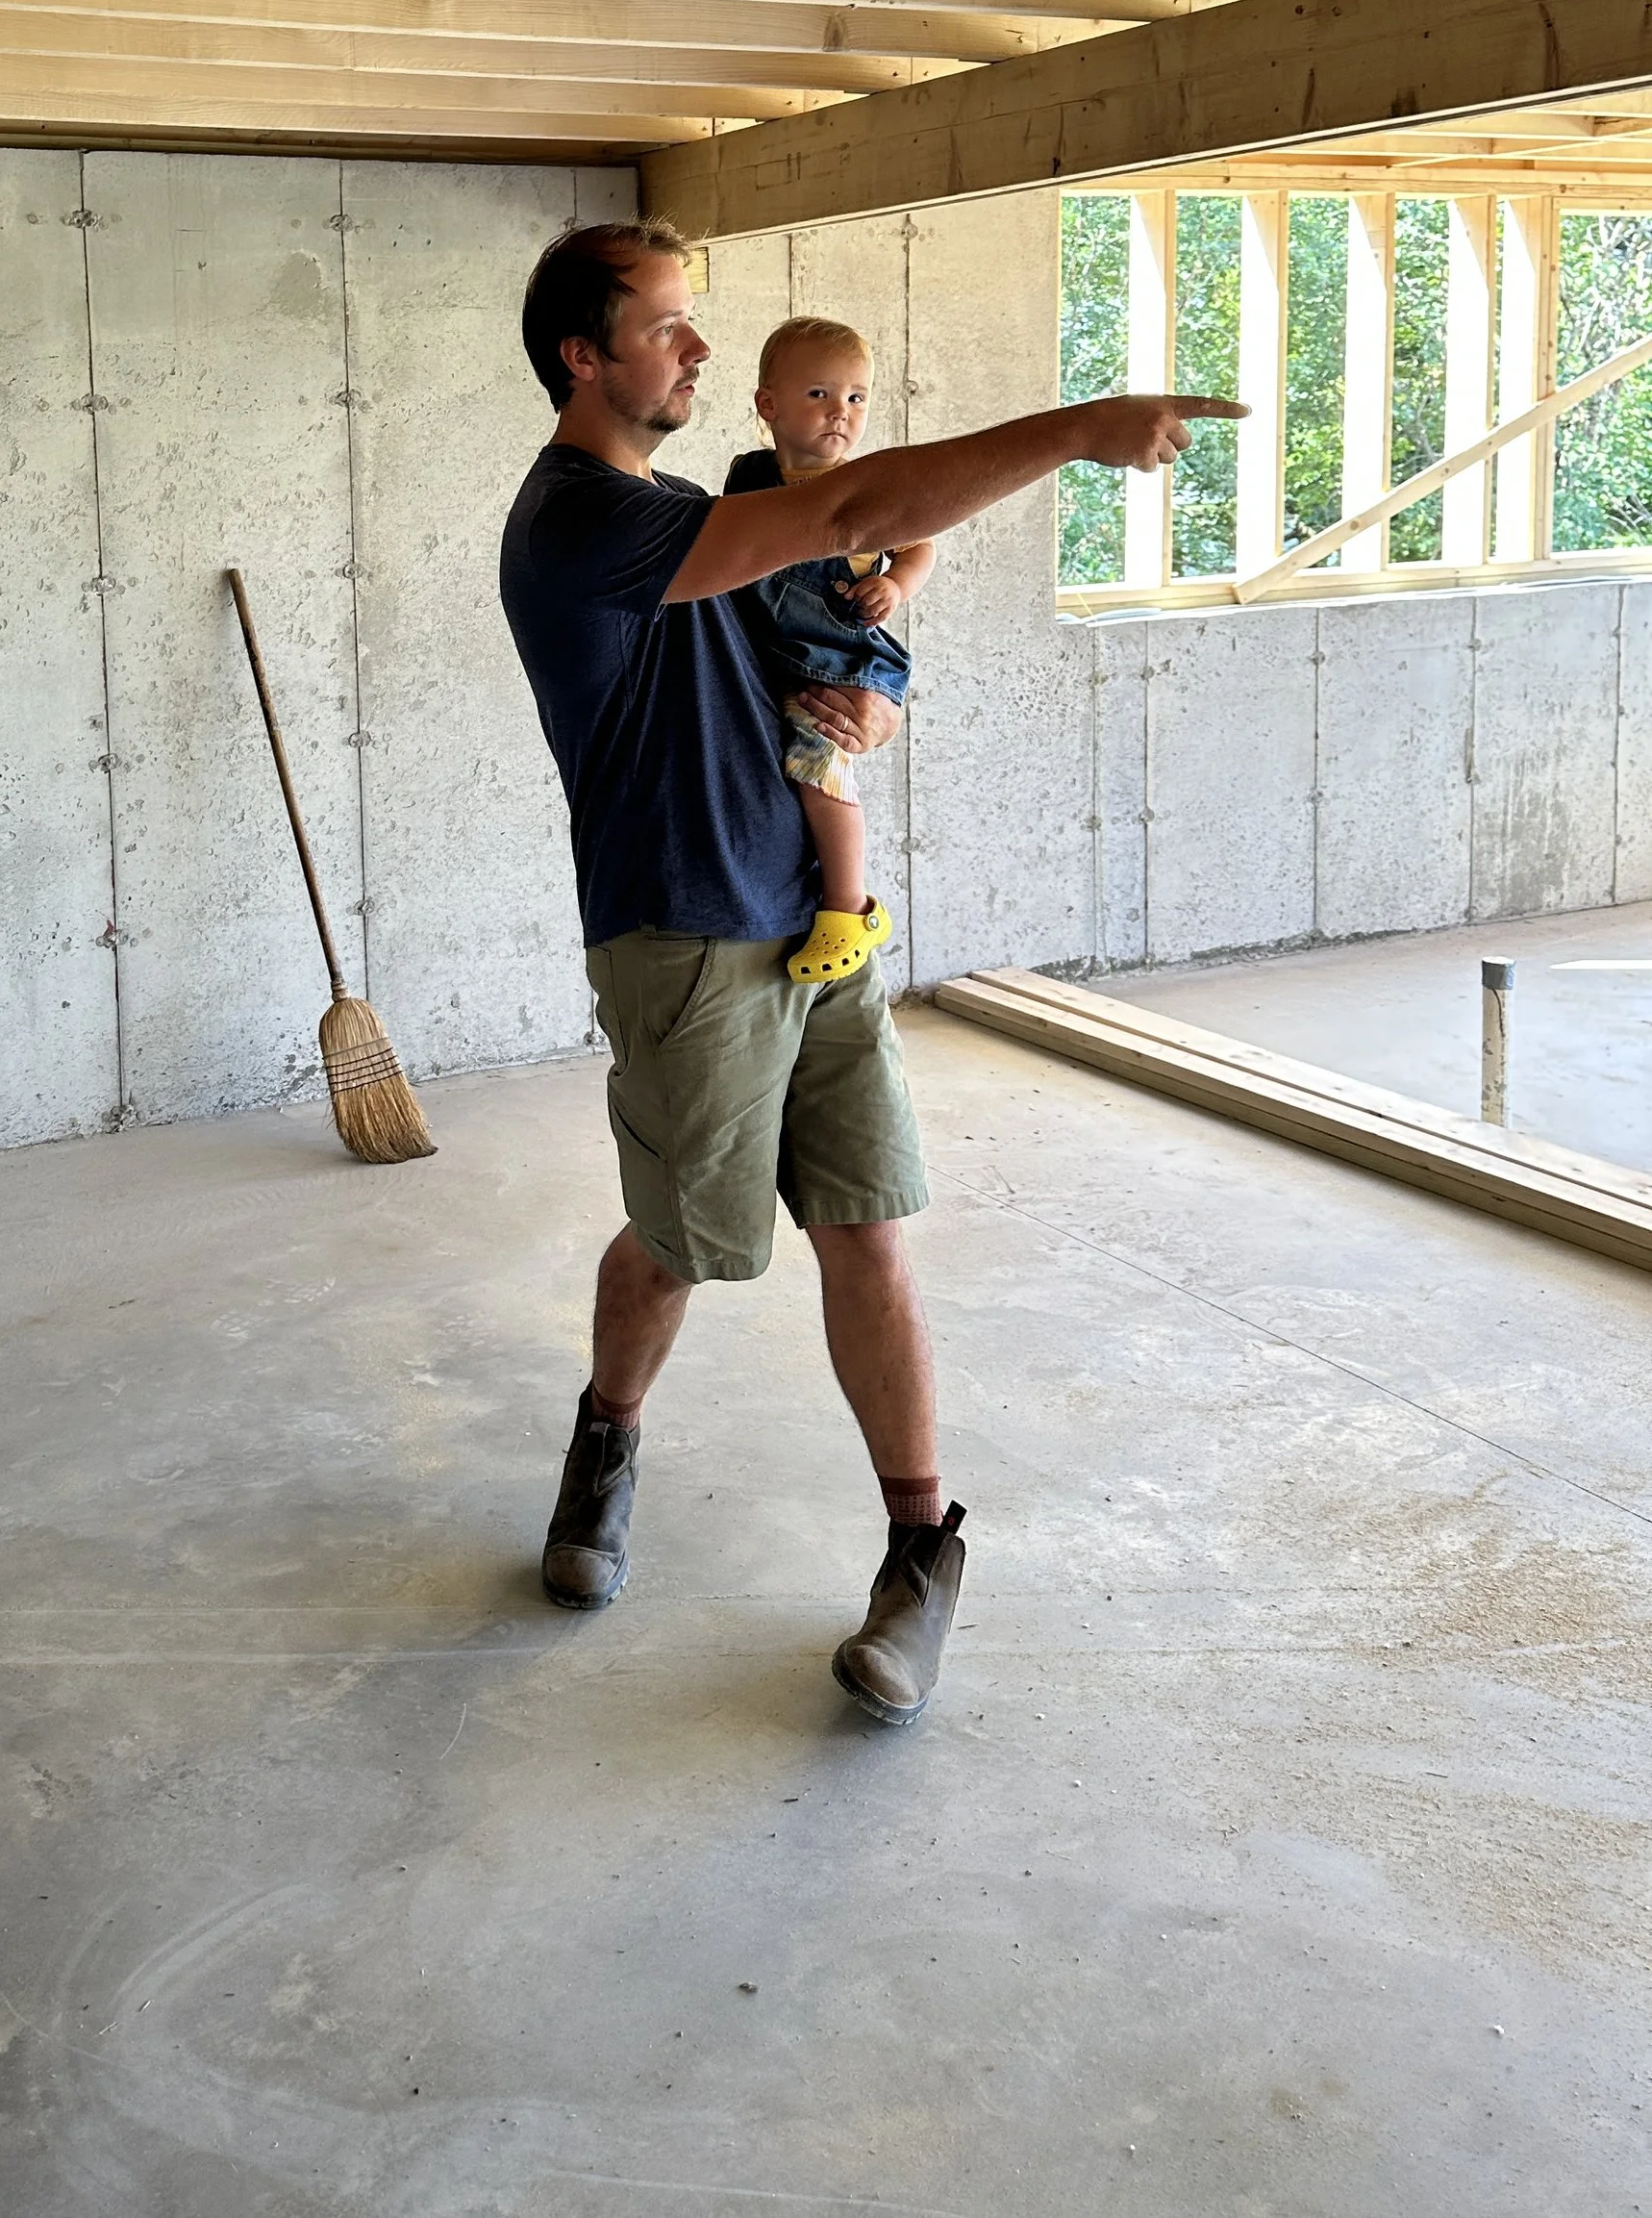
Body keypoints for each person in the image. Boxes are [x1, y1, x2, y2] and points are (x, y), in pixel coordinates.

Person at [497, 217, 1241, 1725]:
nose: (698, 348)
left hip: (818, 930)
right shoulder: (581, 519)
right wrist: (1083, 430)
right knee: (683, 1239)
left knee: (868, 1232)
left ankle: (921, 1551)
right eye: (665, 325)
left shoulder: (681, 500)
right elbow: (867, 502)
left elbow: (811, 628)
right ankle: (604, 1441)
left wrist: (866, 711)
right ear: (584, 356)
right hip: (684, 939)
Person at [722, 315, 933, 990]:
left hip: (848, 662)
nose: (841, 412)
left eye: (857, 397)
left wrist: (895, 584)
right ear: (769, 405)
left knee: (820, 766)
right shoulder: (748, 480)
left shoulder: (874, 488)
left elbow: (923, 541)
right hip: (779, 656)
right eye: (819, 395)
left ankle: (849, 906)